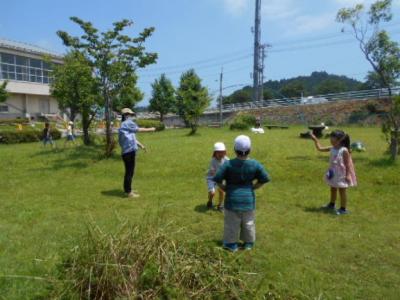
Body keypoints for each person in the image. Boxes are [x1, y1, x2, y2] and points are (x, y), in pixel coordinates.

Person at [213, 135, 270, 252]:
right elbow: (265, 178)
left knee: (232, 224)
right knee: (248, 223)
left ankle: (231, 245)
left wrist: (225, 188)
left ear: (234, 149)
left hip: (232, 201)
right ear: (250, 150)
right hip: (248, 200)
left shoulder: (228, 164)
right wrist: (253, 187)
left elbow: (217, 178)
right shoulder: (255, 164)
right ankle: (248, 243)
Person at [310, 130, 357, 215]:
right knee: (333, 188)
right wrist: (315, 139)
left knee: (342, 190)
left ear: (340, 140)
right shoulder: (332, 148)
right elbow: (320, 148)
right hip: (333, 173)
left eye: (333, 141)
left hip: (341, 174)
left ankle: (343, 209)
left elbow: (348, 165)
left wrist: (348, 175)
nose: (331, 142)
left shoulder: (344, 150)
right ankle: (331, 204)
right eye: (330, 141)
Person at [118, 108, 156, 198]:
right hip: (129, 153)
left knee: (129, 172)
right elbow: (139, 129)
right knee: (129, 172)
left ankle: (128, 189)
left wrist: (141, 146)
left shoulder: (124, 125)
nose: (132, 116)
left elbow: (132, 138)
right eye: (131, 115)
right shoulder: (127, 123)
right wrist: (151, 129)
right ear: (126, 115)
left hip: (128, 152)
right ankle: (128, 192)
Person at [206, 142, 229, 211]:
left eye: (222, 152)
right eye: (218, 152)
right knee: (212, 193)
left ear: (225, 152)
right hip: (212, 178)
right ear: (215, 153)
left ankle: (220, 205)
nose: (220, 154)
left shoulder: (226, 159)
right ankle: (210, 200)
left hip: (220, 179)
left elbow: (230, 166)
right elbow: (213, 172)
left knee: (222, 191)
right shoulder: (213, 161)